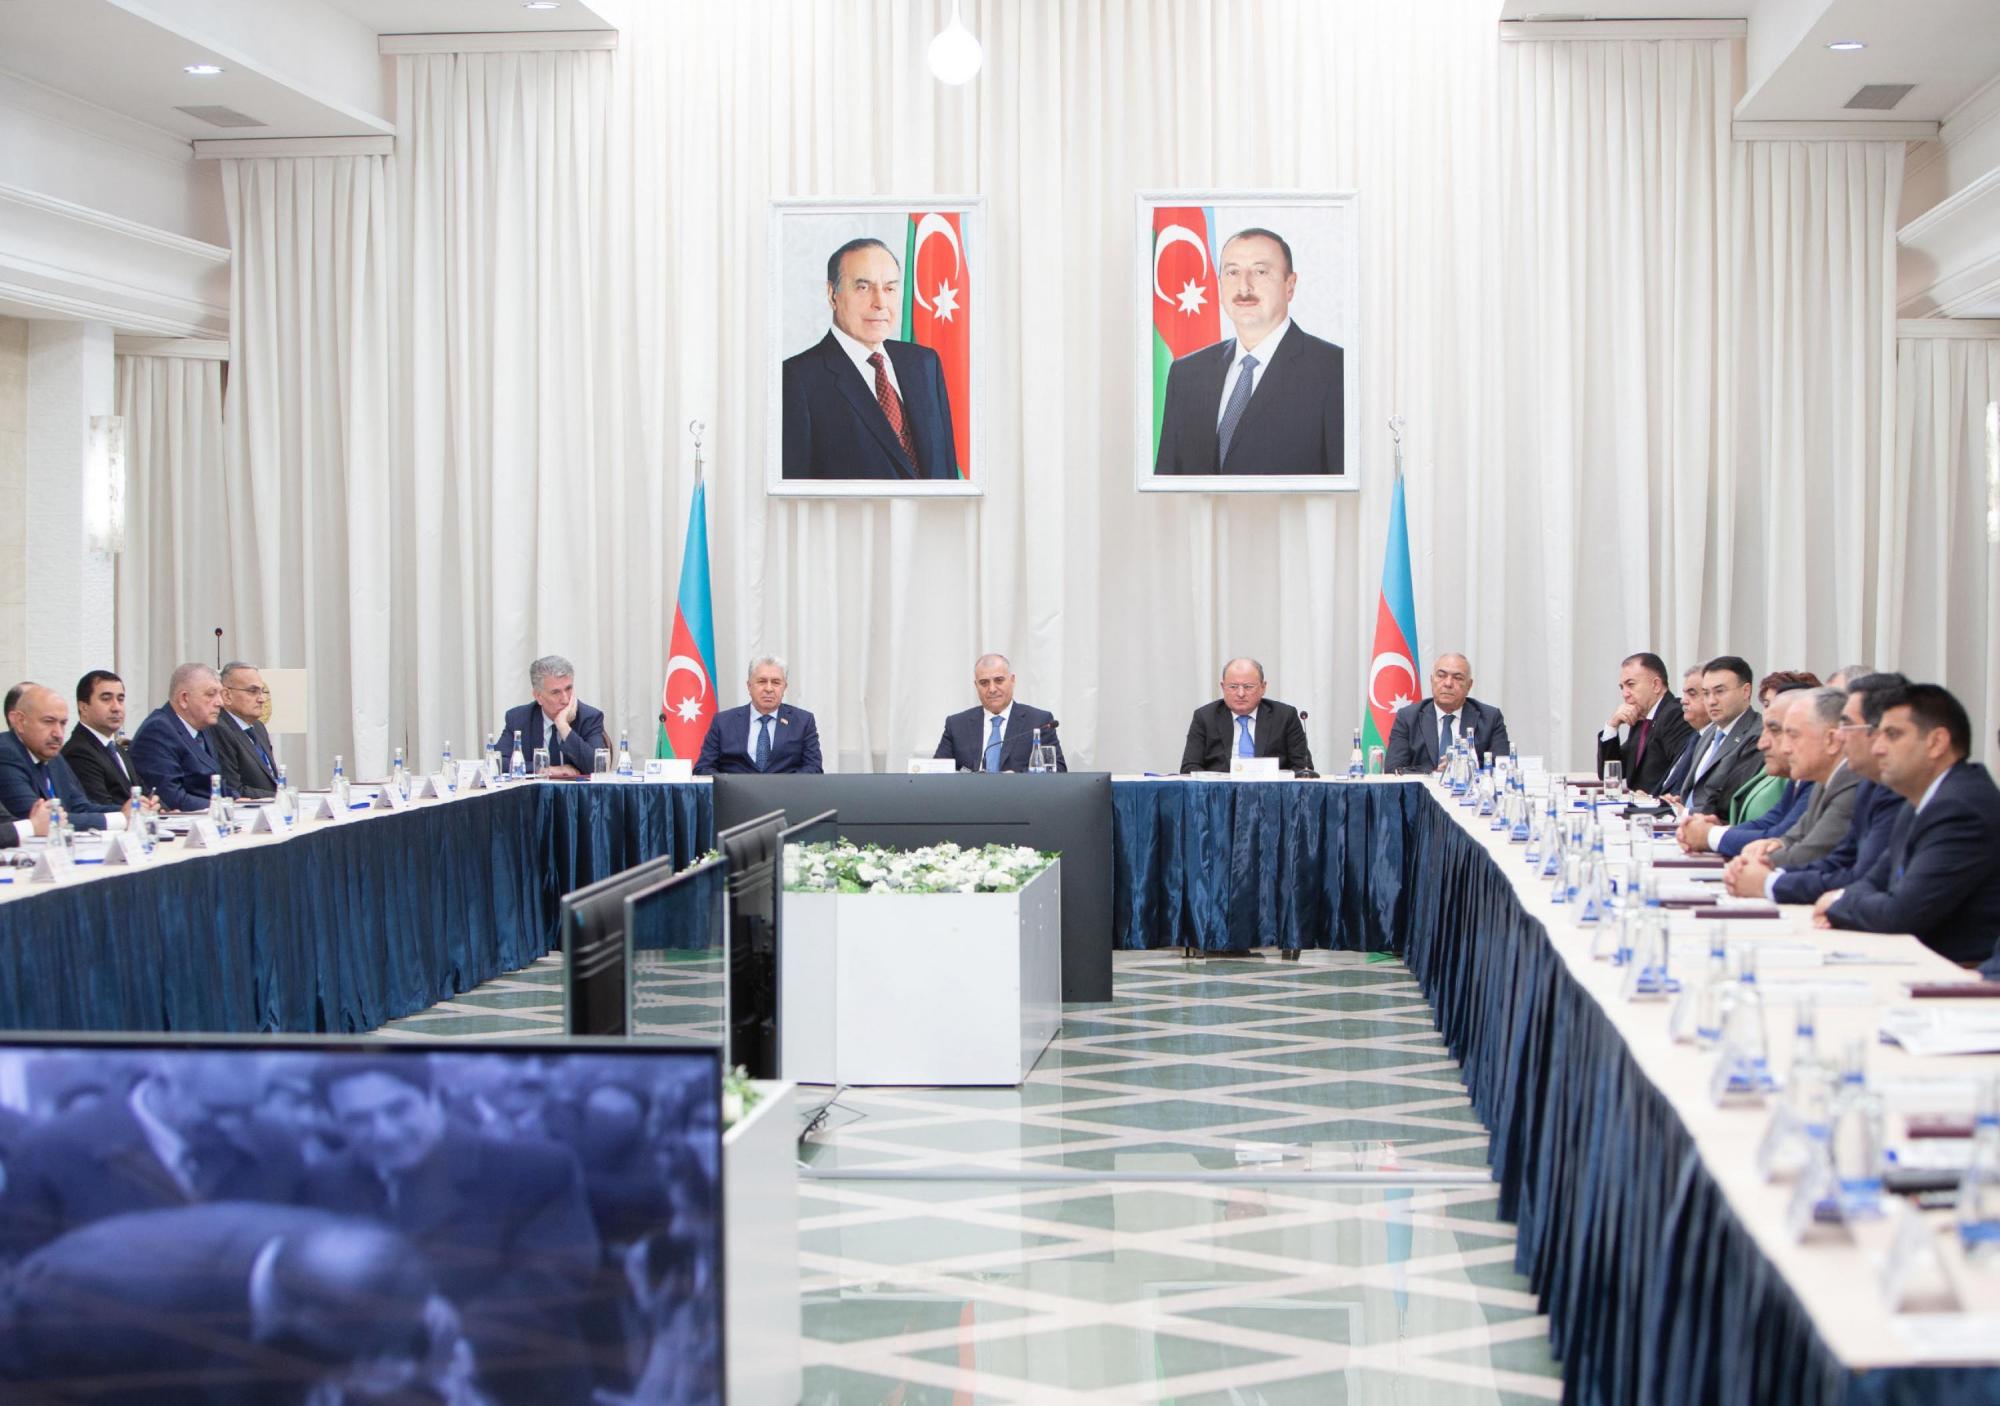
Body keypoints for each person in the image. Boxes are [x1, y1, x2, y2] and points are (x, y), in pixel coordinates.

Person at [307, 1059, 600, 1406]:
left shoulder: (535, 1169)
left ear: (436, 1097)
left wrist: (449, 1346)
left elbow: (553, 1279)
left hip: (514, 1385)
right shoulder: (324, 1182)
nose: (384, 1132)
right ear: (334, 1121)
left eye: (398, 1109)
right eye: (357, 1120)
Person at [0, 1203, 464, 1406]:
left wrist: (422, 1357)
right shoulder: (88, 1301)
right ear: (300, 1318)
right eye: (360, 1351)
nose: (368, 1363)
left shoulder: (349, 1249)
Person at [0, 1055, 307, 1263]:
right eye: (217, 1110)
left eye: (246, 1111)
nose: (234, 1126)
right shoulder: (52, 1152)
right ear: (164, 1082)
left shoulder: (277, 1149)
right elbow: (27, 1280)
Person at [1816, 683, 2000, 967]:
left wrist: (1838, 903)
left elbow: (1900, 914)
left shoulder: (1961, 808)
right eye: (1878, 735)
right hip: (1918, 961)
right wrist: (1846, 899)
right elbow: (1872, 881)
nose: (1877, 748)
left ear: (1937, 742)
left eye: (1892, 735)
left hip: (1957, 974)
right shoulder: (1920, 800)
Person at [1154, 228, 1344, 475]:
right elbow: (1167, 483)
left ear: (1290, 285)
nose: (1244, 286)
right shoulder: (1186, 373)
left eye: (1260, 271)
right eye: (1232, 272)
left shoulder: (1334, 370)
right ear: (1219, 284)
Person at [782, 237, 960, 480]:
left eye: (889, 288)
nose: (880, 303)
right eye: (863, 288)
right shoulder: (797, 379)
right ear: (832, 294)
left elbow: (947, 472)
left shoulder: (924, 363)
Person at [1727, 673, 1907, 902]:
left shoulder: (1865, 784)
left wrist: (1767, 879)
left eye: (1847, 726)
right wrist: (1766, 863)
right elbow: (1835, 857)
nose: (1841, 736)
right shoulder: (1854, 783)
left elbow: (1854, 873)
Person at [0, 684, 148, 834]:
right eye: (48, 721)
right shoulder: (6, 753)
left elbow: (80, 807)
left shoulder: (53, 756)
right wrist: (121, 818)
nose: (58, 734)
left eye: (62, 723)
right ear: (19, 721)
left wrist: (130, 811)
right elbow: (40, 819)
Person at [1180, 657, 1314, 773]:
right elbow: (1189, 767)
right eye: (1233, 687)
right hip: (1220, 792)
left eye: (1248, 687)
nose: (1240, 694)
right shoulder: (1205, 717)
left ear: (1263, 687)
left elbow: (1302, 767)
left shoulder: (1284, 716)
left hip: (1271, 791)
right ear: (1223, 687)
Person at [935, 654, 1066, 772]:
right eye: (984, 683)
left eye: (999, 680)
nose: (992, 689)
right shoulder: (957, 725)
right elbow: (936, 773)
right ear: (976, 685)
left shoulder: (1039, 722)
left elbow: (1058, 770)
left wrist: (1016, 779)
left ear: (1012, 680)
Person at [695, 656, 824, 775]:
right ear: (749, 686)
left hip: (785, 792)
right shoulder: (723, 722)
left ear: (784, 687)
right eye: (762, 681)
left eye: (776, 682)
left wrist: (784, 786)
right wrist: (727, 783)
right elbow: (703, 768)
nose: (769, 689)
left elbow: (814, 768)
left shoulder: (803, 722)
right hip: (735, 791)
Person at [129, 663, 231, 812]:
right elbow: (170, 797)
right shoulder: (158, 731)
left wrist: (236, 800)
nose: (220, 703)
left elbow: (216, 781)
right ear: (184, 699)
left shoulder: (203, 726)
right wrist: (225, 807)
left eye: (220, 694)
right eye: (211, 694)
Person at [1384, 653, 1510, 773]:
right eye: (1441, 675)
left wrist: (1465, 767)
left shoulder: (1490, 718)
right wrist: (1435, 773)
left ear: (1469, 685)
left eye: (1457, 678)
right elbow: (1393, 769)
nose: (1448, 683)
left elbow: (1501, 768)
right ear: (1432, 680)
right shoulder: (1408, 717)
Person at [1596, 652, 1693, 796]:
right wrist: (1612, 726)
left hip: (1660, 806)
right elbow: (1609, 773)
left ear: (1656, 685)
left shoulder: (1674, 714)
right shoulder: (1642, 718)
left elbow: (1680, 772)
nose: (1625, 694)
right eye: (1622, 687)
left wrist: (1652, 798)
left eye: (1631, 685)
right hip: (1639, 805)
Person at [497, 655, 608, 777]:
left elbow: (597, 767)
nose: (565, 700)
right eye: (556, 692)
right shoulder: (518, 718)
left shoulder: (589, 717)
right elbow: (499, 763)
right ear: (538, 696)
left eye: (568, 689)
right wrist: (546, 770)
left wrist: (564, 727)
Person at [1681, 656, 1764, 818]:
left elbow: (1731, 801)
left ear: (1746, 691)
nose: (1711, 701)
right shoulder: (1709, 732)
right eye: (1706, 693)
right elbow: (1697, 792)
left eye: (1720, 691)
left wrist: (1685, 812)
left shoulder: (1756, 735)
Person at [61, 669, 146, 806]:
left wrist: (159, 807)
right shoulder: (78, 752)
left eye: (120, 699)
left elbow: (143, 791)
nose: (116, 707)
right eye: (106, 699)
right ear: (83, 707)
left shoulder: (116, 748)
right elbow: (100, 806)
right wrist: (140, 808)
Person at [209, 662, 280, 800]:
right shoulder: (219, 728)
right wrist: (281, 796)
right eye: (252, 691)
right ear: (227, 696)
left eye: (262, 691)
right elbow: (234, 790)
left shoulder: (258, 727)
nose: (261, 699)